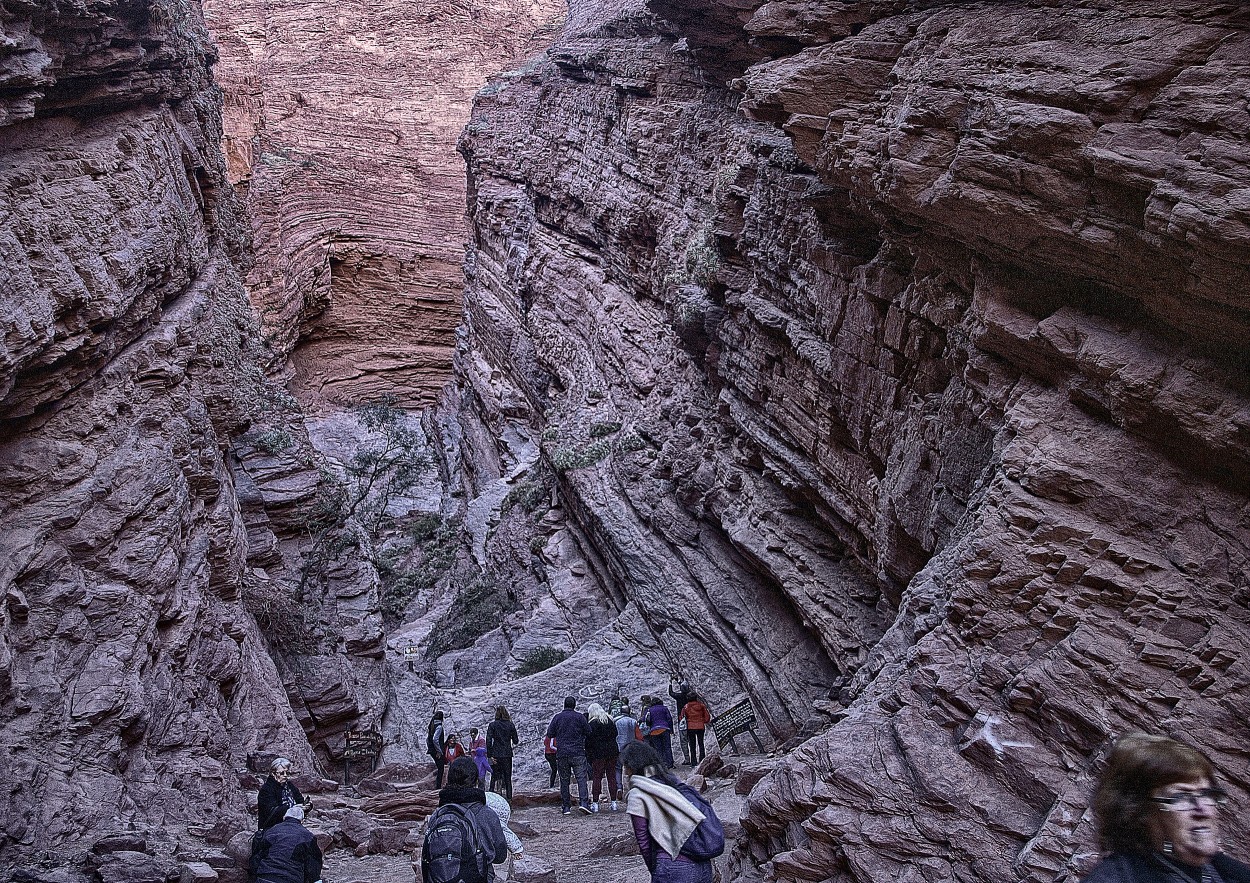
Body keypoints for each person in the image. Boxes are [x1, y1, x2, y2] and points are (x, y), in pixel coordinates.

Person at [1082, 732, 1250, 882]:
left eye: (1207, 795)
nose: (1203, 810)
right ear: (1140, 812)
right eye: (1181, 796)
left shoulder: (1230, 873)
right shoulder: (1115, 878)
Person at [621, 741, 716, 883]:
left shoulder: (639, 793)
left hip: (673, 866)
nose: (624, 770)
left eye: (625, 765)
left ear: (632, 766)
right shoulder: (671, 781)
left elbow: (643, 841)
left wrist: (656, 870)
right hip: (702, 864)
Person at [422, 756, 509, 883]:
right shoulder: (486, 814)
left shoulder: (438, 814)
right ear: (475, 781)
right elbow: (500, 856)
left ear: (449, 780)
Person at [250, 805, 323, 883]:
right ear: (302, 821)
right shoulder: (308, 837)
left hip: (265, 877)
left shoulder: (271, 831)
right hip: (290, 879)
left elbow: (257, 855)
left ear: (284, 817)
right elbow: (313, 864)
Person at [545, 695, 592, 814]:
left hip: (562, 753)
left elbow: (550, 733)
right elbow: (589, 731)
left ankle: (566, 806)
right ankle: (584, 803)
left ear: (564, 705)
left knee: (564, 780)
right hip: (578, 752)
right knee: (581, 779)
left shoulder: (557, 717)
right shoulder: (580, 717)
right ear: (574, 705)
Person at [586, 702, 621, 812]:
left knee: (597, 777)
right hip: (612, 752)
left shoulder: (592, 724)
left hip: (598, 754)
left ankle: (595, 803)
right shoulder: (610, 721)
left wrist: (589, 754)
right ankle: (614, 803)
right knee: (611, 777)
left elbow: (588, 741)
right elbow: (616, 734)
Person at [257, 757, 307, 830]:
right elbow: (272, 812)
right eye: (282, 773)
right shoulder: (266, 790)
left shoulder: (289, 785)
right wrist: (294, 808)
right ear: (273, 774)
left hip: (293, 825)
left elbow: (300, 799)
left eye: (287, 772)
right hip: (272, 828)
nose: (285, 775)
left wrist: (306, 806)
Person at [486, 705, 519, 800]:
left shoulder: (492, 725)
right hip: (507, 754)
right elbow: (516, 740)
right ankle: (509, 800)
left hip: (496, 754)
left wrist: (490, 755)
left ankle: (492, 799)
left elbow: (488, 740)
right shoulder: (510, 725)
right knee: (508, 779)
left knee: (494, 776)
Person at [679, 692, 710, 766]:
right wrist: (703, 721)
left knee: (692, 745)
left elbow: (681, 717)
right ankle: (702, 760)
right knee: (701, 743)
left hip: (690, 727)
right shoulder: (701, 705)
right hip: (700, 726)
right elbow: (707, 717)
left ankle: (693, 762)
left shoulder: (686, 707)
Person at [614, 701, 640, 792]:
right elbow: (638, 735)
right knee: (631, 768)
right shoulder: (633, 721)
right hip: (631, 747)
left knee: (618, 768)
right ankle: (633, 786)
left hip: (619, 746)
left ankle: (619, 787)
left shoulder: (616, 720)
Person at [669, 680, 694, 766]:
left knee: (684, 741)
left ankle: (687, 759)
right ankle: (694, 757)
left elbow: (671, 693)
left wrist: (670, 683)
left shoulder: (679, 696)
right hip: (691, 721)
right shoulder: (691, 696)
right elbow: (685, 690)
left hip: (682, 721)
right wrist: (679, 682)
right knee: (691, 740)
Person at [645, 696, 675, 768]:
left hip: (654, 730)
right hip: (665, 729)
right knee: (667, 747)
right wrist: (671, 729)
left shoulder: (649, 710)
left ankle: (661, 764)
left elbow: (646, 720)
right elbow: (669, 719)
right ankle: (670, 763)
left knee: (658, 748)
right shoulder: (665, 708)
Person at [427, 711, 447, 788]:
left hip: (432, 749)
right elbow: (435, 739)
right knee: (441, 768)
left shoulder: (432, 725)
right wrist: (439, 751)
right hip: (437, 751)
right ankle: (438, 787)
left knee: (439, 768)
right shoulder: (439, 727)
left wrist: (430, 747)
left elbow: (428, 739)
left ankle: (437, 786)